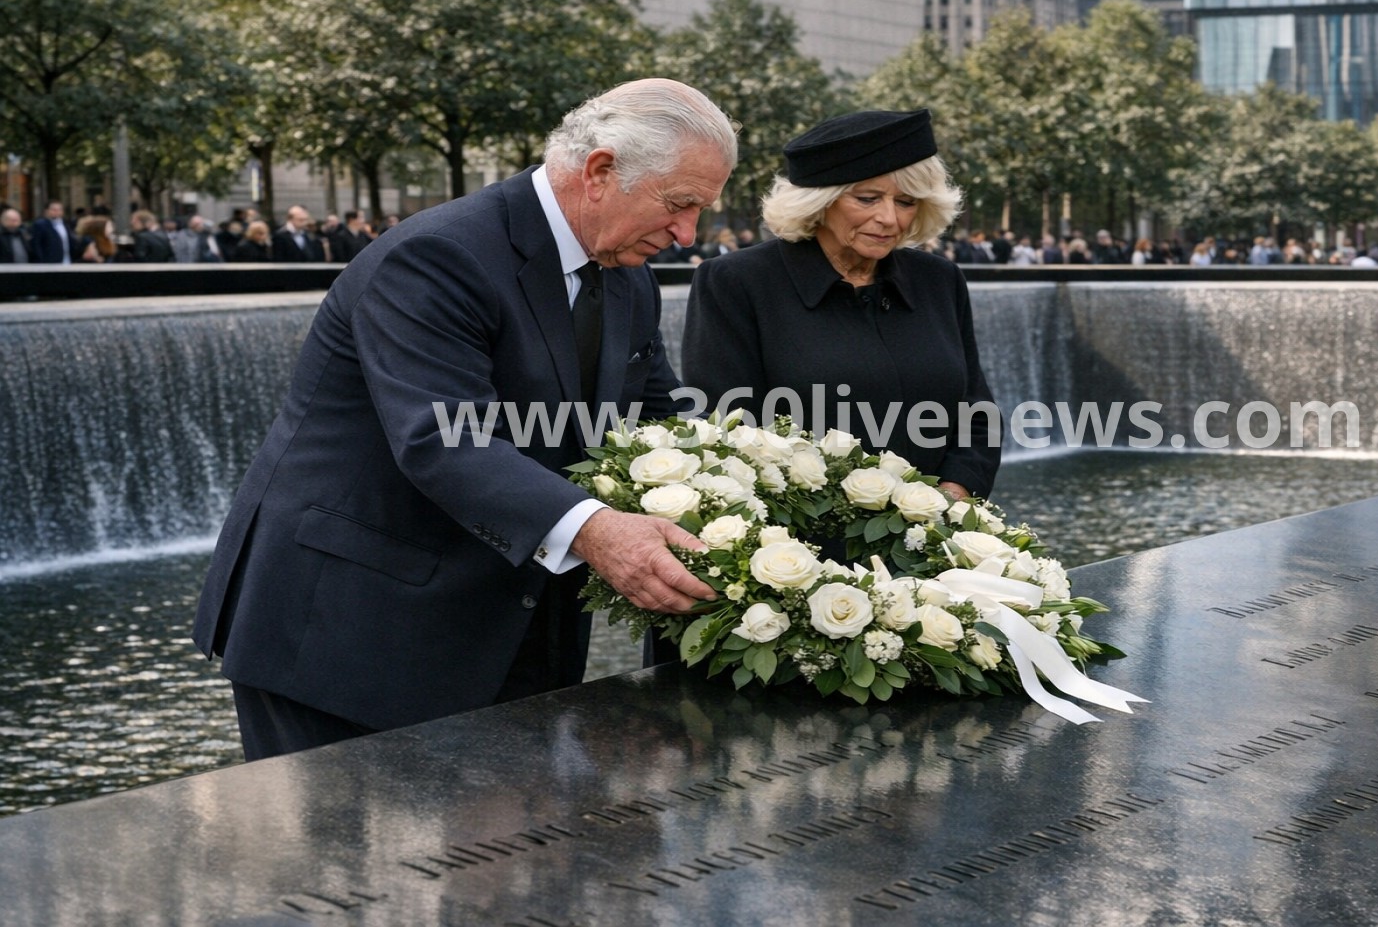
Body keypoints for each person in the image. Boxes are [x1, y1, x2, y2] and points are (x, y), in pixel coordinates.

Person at [192, 78, 737, 760]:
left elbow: (662, 421)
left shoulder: (628, 274)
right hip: (347, 636)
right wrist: (598, 531)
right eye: (680, 205)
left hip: (510, 629)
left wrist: (765, 492)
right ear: (600, 171)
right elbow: (445, 439)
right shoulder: (438, 255)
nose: (688, 235)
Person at [683, 108, 1000, 515]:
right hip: (800, 540)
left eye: (906, 202)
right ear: (821, 200)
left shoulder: (939, 279)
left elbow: (977, 413)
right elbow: (731, 433)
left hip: (935, 529)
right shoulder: (736, 282)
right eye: (867, 198)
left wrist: (947, 501)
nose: (889, 219)